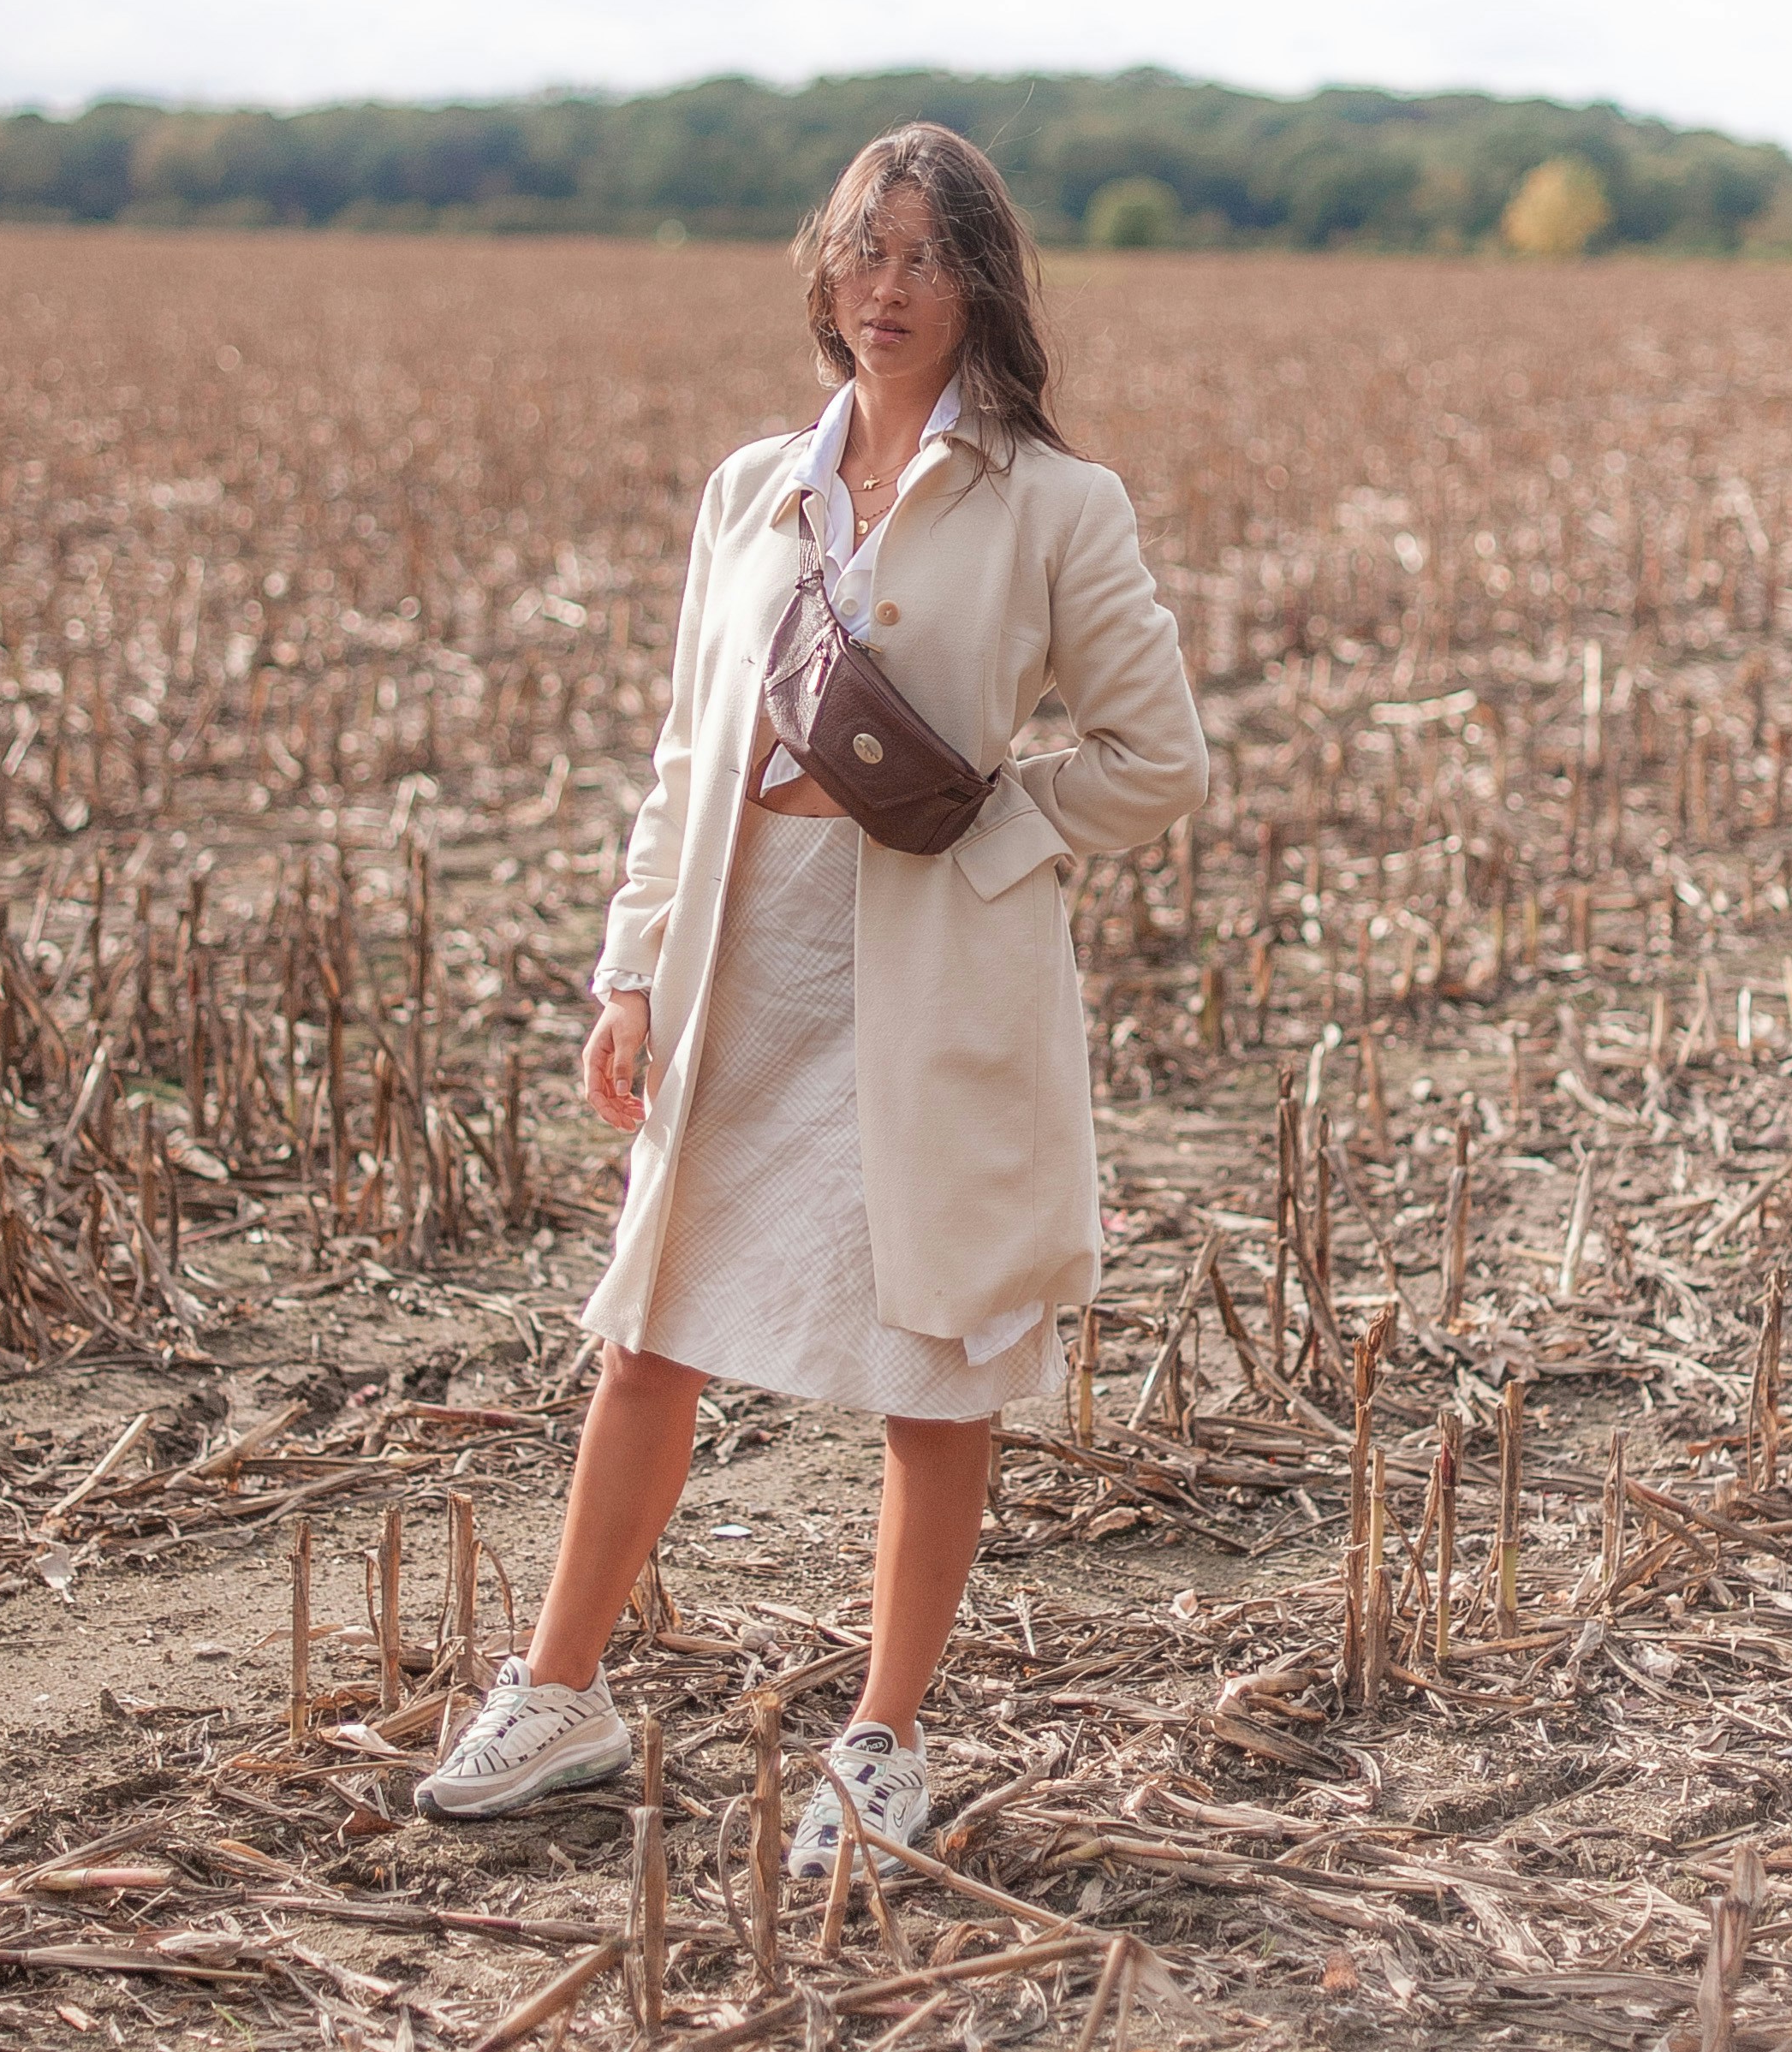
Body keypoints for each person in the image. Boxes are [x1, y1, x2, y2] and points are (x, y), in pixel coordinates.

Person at [415, 124, 1207, 1867]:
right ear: (822, 270)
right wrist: (630, 967)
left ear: (984, 282)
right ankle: (560, 1692)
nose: (889, 288)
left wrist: (987, 822)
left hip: (932, 975)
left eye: (927, 257)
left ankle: (883, 1742)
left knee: (937, 1354)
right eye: (864, 250)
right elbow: (692, 750)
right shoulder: (751, 487)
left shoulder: (1056, 505)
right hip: (742, 957)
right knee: (651, 1329)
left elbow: (1159, 765)